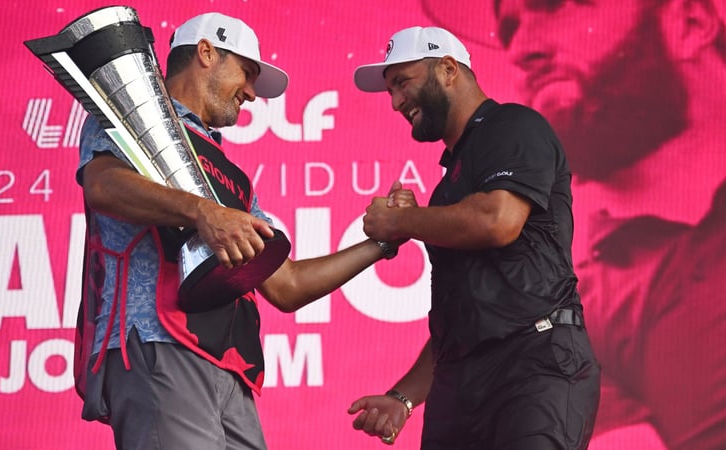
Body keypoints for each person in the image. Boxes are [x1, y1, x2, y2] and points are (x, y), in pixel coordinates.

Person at [74, 12, 399, 450]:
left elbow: (288, 284)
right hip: (158, 342)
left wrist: (382, 244)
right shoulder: (131, 109)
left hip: (226, 365)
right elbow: (103, 185)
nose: (250, 92)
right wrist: (204, 212)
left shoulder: (233, 178)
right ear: (206, 53)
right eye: (246, 73)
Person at [422, 1, 726, 448]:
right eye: (509, 29)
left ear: (690, 20)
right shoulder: (575, 307)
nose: (522, 46)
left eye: (552, 5)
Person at [346, 26, 601, 449]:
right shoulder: (449, 187)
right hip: (462, 381)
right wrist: (404, 398)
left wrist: (403, 222)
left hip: (535, 365)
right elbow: (467, 316)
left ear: (448, 69)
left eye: (402, 83)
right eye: (390, 90)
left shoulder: (514, 126)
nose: (394, 102)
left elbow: (498, 221)